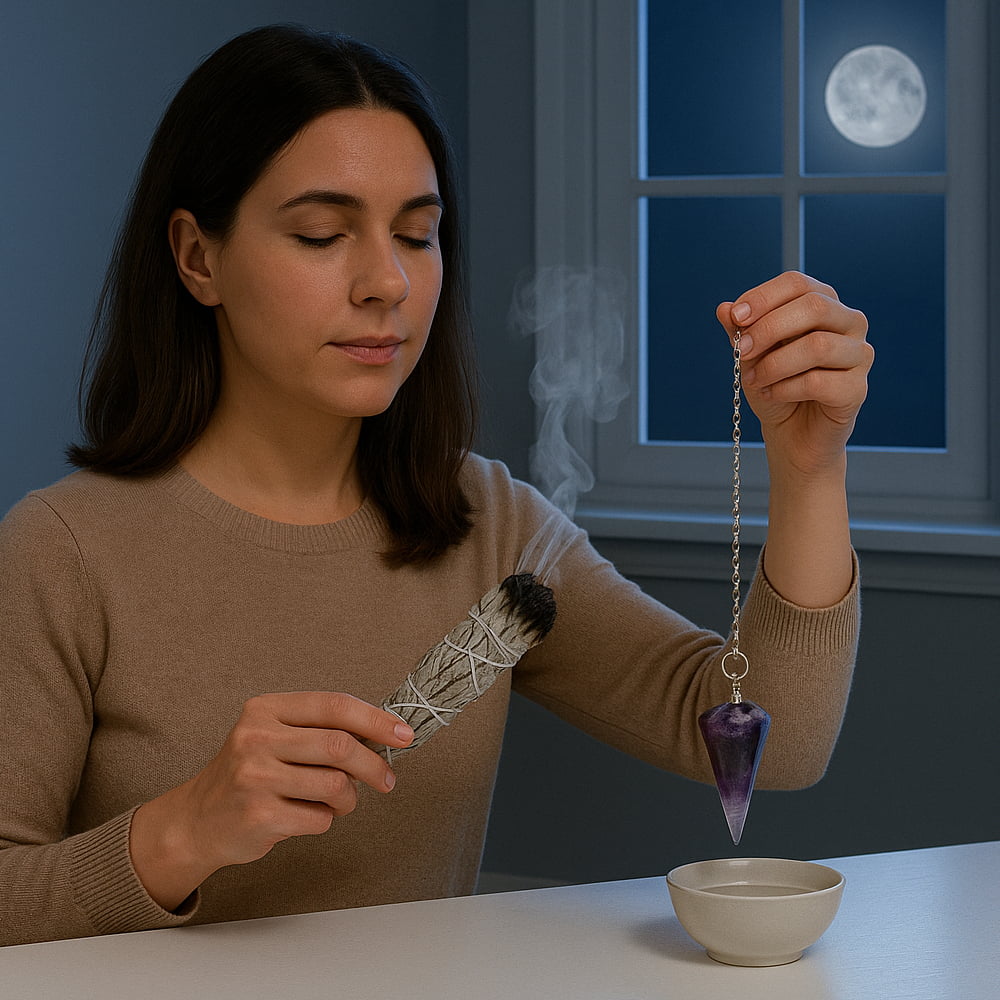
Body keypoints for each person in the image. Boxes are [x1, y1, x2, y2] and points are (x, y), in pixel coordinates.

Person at [0, 24, 872, 947]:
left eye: (417, 235)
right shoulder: (63, 553)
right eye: (323, 233)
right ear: (197, 258)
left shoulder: (490, 529)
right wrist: (184, 829)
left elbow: (773, 736)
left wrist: (809, 468)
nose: (387, 282)